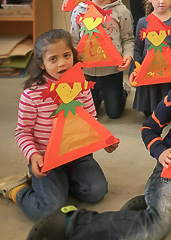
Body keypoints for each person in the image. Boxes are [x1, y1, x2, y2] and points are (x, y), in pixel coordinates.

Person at [27, 39, 171, 240]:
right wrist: (161, 152)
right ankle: (74, 223)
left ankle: (160, 208)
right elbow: (149, 128)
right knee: (157, 228)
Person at [0, 29, 117, 221]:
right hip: (46, 159)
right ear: (42, 64)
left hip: (77, 155)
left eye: (66, 55)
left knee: (97, 191)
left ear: (73, 55)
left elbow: (90, 121)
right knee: (50, 210)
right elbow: (22, 132)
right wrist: (34, 155)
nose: (62, 63)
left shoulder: (81, 85)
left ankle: (59, 185)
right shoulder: (32, 94)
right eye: (53, 59)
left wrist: (103, 140)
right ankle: (18, 191)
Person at [70, 0, 134, 119]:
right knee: (90, 113)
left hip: (112, 72)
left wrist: (128, 55)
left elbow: (128, 39)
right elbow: (73, 40)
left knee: (114, 113)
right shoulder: (79, 11)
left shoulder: (121, 10)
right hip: (87, 72)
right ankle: (98, 95)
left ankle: (123, 90)